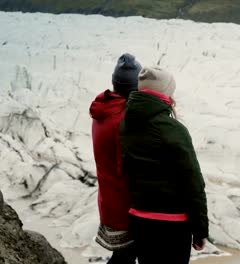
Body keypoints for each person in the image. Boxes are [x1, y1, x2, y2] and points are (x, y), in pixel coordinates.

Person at [119, 66, 208, 263]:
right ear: (166, 93)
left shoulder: (125, 123)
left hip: (139, 221)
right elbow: (193, 183)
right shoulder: (172, 129)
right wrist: (200, 229)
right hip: (171, 226)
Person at [90, 53, 142, 264]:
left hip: (110, 198)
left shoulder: (104, 110)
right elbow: (130, 166)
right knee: (125, 257)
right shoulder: (121, 119)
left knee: (123, 257)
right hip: (124, 203)